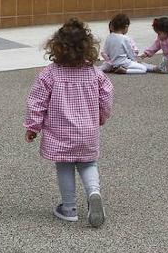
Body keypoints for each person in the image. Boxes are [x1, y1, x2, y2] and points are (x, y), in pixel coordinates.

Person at [24, 18, 114, 228]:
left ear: (57, 46)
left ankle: (69, 208)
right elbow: (107, 96)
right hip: (87, 131)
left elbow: (36, 101)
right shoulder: (94, 73)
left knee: (64, 165)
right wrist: (101, 116)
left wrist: (33, 126)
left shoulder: (50, 74)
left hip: (61, 131)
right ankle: (93, 192)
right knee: (88, 163)